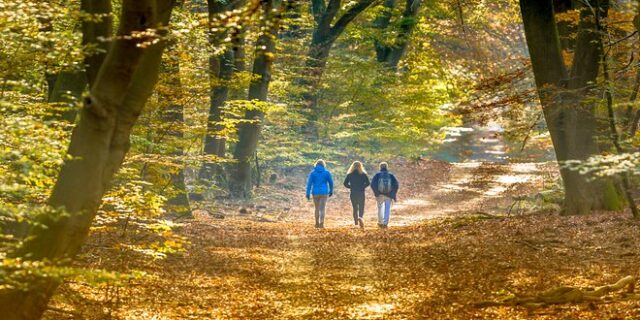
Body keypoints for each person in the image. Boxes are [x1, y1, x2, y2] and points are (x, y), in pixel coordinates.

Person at [306, 159, 334, 228]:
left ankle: (316, 223)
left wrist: (307, 193)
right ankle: (321, 223)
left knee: (317, 208)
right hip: (324, 193)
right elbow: (331, 182)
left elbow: (309, 184)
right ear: (323, 165)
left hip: (315, 192)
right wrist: (331, 191)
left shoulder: (312, 173)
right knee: (322, 208)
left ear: (316, 165)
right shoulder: (327, 172)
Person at [371, 162, 399, 228]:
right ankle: (385, 223)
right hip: (389, 195)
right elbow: (396, 185)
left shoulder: (377, 175)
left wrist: (376, 192)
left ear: (380, 167)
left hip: (380, 195)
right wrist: (392, 193)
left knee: (380, 208)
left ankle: (380, 222)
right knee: (387, 209)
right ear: (387, 167)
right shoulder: (391, 175)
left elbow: (372, 184)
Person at [343, 161, 370, 228]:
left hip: (353, 193)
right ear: (360, 166)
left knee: (355, 208)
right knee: (361, 207)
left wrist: (351, 187)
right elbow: (368, 183)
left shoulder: (350, 174)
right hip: (361, 192)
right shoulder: (363, 174)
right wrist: (363, 187)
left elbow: (345, 183)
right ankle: (360, 218)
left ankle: (356, 223)